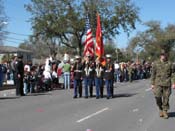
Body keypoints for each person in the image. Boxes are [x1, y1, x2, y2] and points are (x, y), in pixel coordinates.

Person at [151, 51, 175, 119]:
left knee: (166, 98)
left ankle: (165, 111)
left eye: (164, 55)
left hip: (167, 83)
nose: (163, 56)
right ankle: (160, 108)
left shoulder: (170, 63)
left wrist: (173, 83)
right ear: (160, 56)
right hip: (158, 83)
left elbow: (173, 74)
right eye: (162, 55)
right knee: (158, 97)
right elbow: (153, 74)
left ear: (166, 55)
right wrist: (152, 83)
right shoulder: (155, 63)